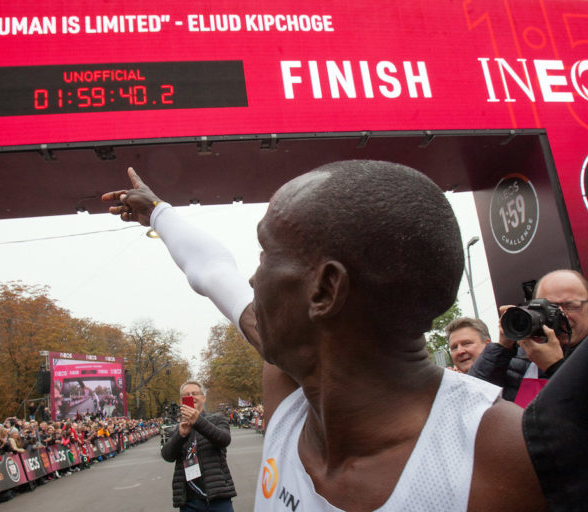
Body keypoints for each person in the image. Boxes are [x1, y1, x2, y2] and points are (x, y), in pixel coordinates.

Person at [102, 163, 548, 511]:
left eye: (266, 255)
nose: (253, 281)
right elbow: (215, 274)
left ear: (325, 290)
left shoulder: (502, 458)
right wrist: (157, 213)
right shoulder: (292, 383)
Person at [469, 269, 588, 401]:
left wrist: (555, 367)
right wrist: (502, 347)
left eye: (571, 305)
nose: (562, 315)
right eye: (550, 307)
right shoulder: (523, 357)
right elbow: (472, 399)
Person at [160, 380, 236, 511]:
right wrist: (180, 435)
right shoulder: (179, 427)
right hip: (189, 500)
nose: (191, 396)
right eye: (187, 395)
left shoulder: (217, 419)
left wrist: (198, 421)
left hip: (218, 496)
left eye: (195, 393)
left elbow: (224, 440)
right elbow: (167, 455)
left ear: (203, 397)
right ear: (181, 401)